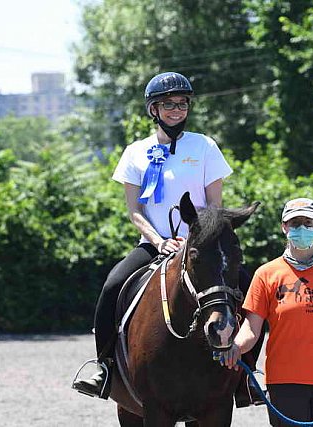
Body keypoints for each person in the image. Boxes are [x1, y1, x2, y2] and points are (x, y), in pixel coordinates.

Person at [73, 71, 233, 397]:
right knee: (111, 288)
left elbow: (215, 204)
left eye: (182, 104)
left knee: (242, 282)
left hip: (198, 245)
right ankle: (105, 368)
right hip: (153, 245)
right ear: (153, 109)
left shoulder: (204, 146)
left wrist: (192, 240)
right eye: (168, 104)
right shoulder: (135, 152)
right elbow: (134, 210)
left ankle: (245, 373)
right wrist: (160, 241)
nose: (176, 110)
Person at [219, 197, 313, 426]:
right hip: (285, 385)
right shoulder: (266, 274)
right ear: (284, 227)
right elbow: (251, 327)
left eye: (308, 222)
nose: (302, 229)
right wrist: (235, 346)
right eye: (295, 223)